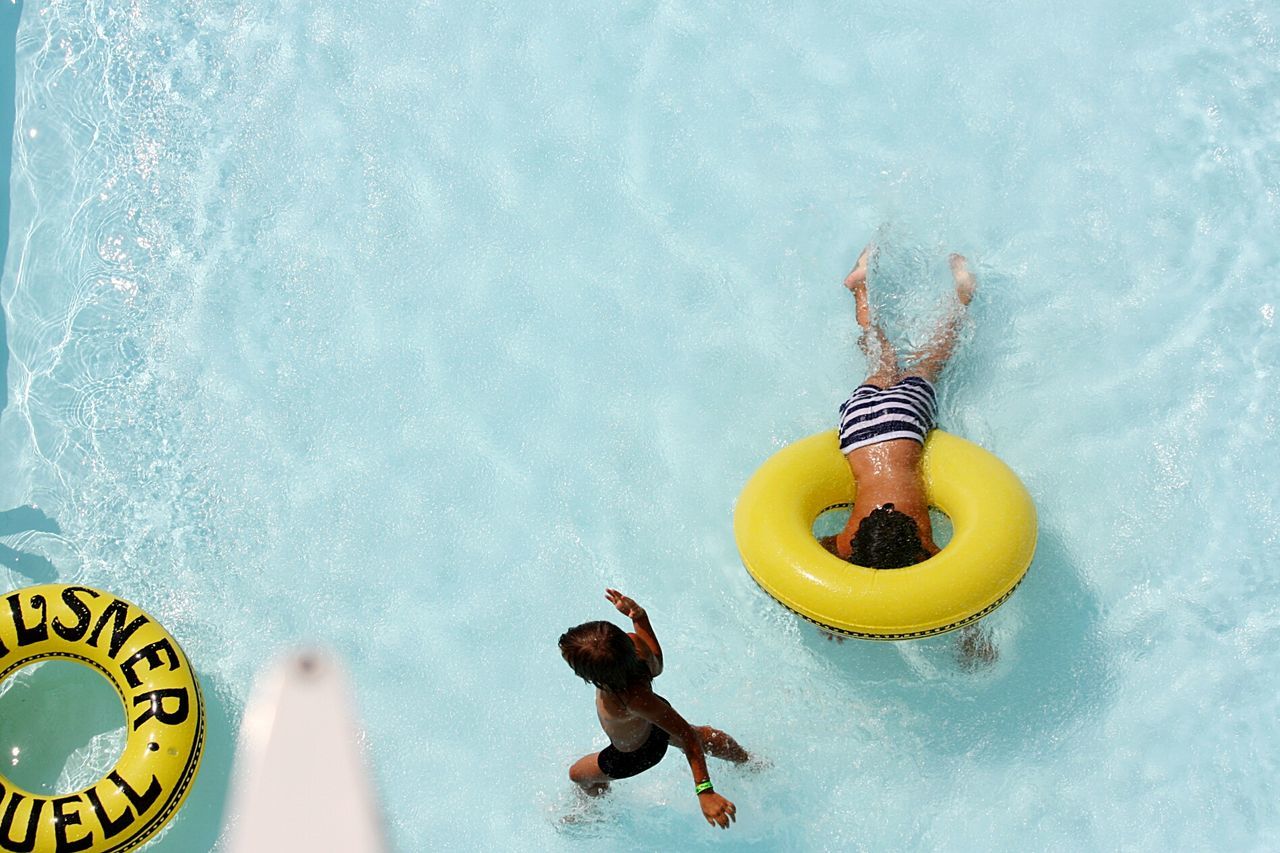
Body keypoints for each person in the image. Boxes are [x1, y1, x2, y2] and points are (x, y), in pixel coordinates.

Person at [820, 245, 995, 663]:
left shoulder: (859, 544)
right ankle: (860, 290)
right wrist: (973, 638)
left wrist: (831, 615)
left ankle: (961, 295)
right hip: (859, 426)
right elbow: (963, 591)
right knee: (882, 364)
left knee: (927, 364)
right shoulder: (845, 543)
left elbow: (961, 591)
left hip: (902, 426)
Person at [559, 589, 749, 829]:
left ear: (595, 677)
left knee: (577, 774)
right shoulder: (635, 649)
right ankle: (747, 760)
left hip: (636, 753)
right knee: (699, 734)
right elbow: (657, 664)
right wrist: (638, 617)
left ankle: (596, 810)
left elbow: (686, 737)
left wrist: (705, 791)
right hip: (651, 719)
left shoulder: (630, 698)